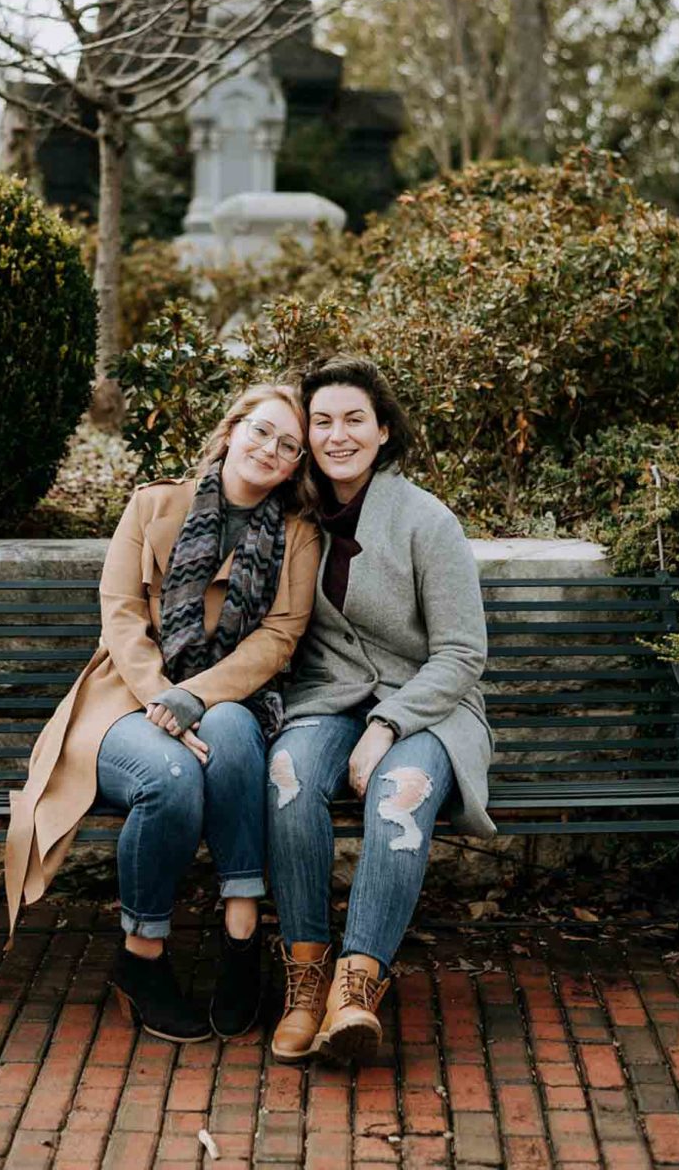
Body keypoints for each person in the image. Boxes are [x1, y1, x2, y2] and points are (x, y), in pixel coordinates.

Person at [4, 383, 320, 1044]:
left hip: (232, 692)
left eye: (287, 445)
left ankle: (241, 935)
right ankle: (141, 959)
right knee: (169, 780)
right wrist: (161, 696)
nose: (270, 449)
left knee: (233, 733)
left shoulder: (295, 535)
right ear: (232, 429)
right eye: (261, 431)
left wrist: (195, 696)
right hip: (125, 695)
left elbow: (279, 637)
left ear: (295, 465)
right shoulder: (153, 504)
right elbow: (119, 614)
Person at [266, 355, 494, 1064]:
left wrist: (387, 726)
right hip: (325, 700)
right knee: (287, 779)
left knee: (401, 793)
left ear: (384, 429)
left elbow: (460, 653)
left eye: (354, 420)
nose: (338, 435)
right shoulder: (295, 513)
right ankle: (304, 979)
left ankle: (354, 991)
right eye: (322, 421)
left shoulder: (426, 520)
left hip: (429, 706)